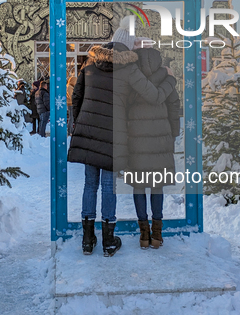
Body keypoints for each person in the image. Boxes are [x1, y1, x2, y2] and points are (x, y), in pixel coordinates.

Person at [68, 17, 176, 257]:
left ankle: (87, 240)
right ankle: (108, 240)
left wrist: (81, 121)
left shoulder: (89, 64)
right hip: (113, 134)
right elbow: (154, 96)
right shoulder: (129, 69)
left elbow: (76, 96)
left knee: (89, 184)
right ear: (127, 47)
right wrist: (169, 78)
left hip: (88, 130)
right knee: (108, 186)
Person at [125, 39, 180, 249]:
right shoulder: (167, 78)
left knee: (138, 186)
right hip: (160, 138)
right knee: (157, 186)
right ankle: (157, 234)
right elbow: (174, 105)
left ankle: (143, 234)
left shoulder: (131, 78)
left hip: (136, 139)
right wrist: (172, 133)